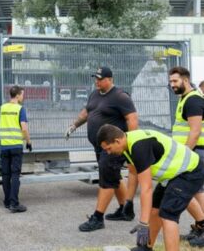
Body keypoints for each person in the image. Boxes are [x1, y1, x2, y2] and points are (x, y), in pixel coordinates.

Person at [97, 124, 204, 251]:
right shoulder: (128, 144)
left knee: (168, 214)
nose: (108, 153)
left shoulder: (138, 147)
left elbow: (146, 188)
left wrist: (143, 223)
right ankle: (146, 248)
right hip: (173, 175)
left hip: (190, 171)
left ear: (117, 140)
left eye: (108, 148)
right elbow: (135, 174)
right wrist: (129, 201)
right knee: (154, 209)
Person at [65, 67, 138, 232]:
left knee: (106, 181)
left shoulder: (120, 96)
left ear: (110, 79)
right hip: (100, 146)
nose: (96, 81)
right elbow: (87, 111)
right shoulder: (95, 94)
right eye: (95, 78)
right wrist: (74, 125)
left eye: (100, 78)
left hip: (114, 147)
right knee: (113, 177)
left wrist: (132, 143)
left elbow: (132, 119)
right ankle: (126, 210)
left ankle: (98, 218)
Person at [168, 66, 204, 246]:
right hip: (193, 152)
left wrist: (184, 156)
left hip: (195, 153)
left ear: (185, 80)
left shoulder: (193, 100)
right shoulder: (185, 98)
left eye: (175, 81)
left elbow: (195, 132)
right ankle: (200, 226)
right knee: (196, 192)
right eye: (170, 81)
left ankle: (202, 228)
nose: (172, 84)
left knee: (188, 191)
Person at [0, 85, 32, 213]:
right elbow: (24, 128)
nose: (23, 97)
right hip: (16, 146)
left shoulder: (2, 108)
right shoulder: (20, 109)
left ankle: (7, 201)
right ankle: (14, 203)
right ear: (17, 95)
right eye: (22, 94)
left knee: (6, 175)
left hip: (4, 146)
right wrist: (28, 142)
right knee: (15, 175)